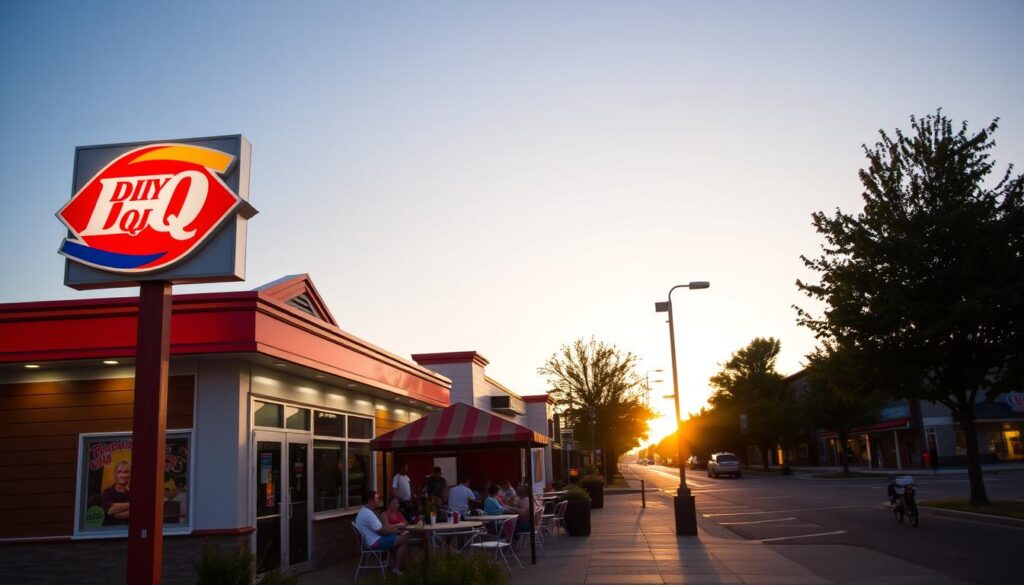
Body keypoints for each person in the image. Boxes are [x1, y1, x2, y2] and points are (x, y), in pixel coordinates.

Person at [355, 490, 409, 575]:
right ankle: (396, 567)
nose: (378, 501)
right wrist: (397, 531)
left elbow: (382, 529)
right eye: (377, 498)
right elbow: (383, 531)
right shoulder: (368, 514)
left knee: (397, 538)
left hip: (371, 541)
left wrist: (394, 531)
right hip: (376, 542)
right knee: (405, 539)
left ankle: (399, 564)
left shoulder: (362, 512)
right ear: (370, 500)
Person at [102, 460, 131, 526]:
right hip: (109, 532)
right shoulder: (107, 492)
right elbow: (110, 510)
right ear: (115, 474)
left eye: (126, 472)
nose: (123, 475)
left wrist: (117, 510)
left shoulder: (132, 494)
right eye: (119, 472)